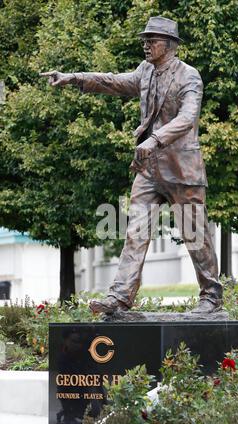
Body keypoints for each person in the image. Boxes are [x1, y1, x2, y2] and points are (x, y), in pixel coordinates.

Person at [41, 16, 223, 317]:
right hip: (149, 169)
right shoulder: (145, 72)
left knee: (195, 234)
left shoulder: (189, 77)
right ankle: (120, 296)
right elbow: (113, 81)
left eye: (152, 40)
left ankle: (211, 297)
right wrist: (73, 77)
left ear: (170, 44)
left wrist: (154, 140)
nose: (146, 44)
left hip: (182, 168)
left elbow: (187, 118)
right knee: (135, 230)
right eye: (145, 39)